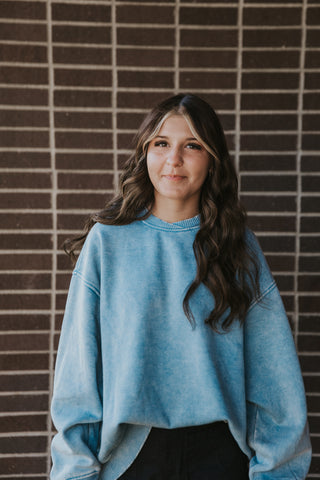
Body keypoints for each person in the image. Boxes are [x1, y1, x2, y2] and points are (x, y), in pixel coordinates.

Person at [50, 93, 311, 480]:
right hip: (131, 458)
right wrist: (74, 471)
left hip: (221, 456)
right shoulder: (108, 243)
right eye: (161, 144)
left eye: (192, 146)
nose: (174, 159)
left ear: (212, 160)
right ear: (146, 154)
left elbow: (274, 380)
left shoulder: (238, 247)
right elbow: (79, 375)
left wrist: (277, 472)